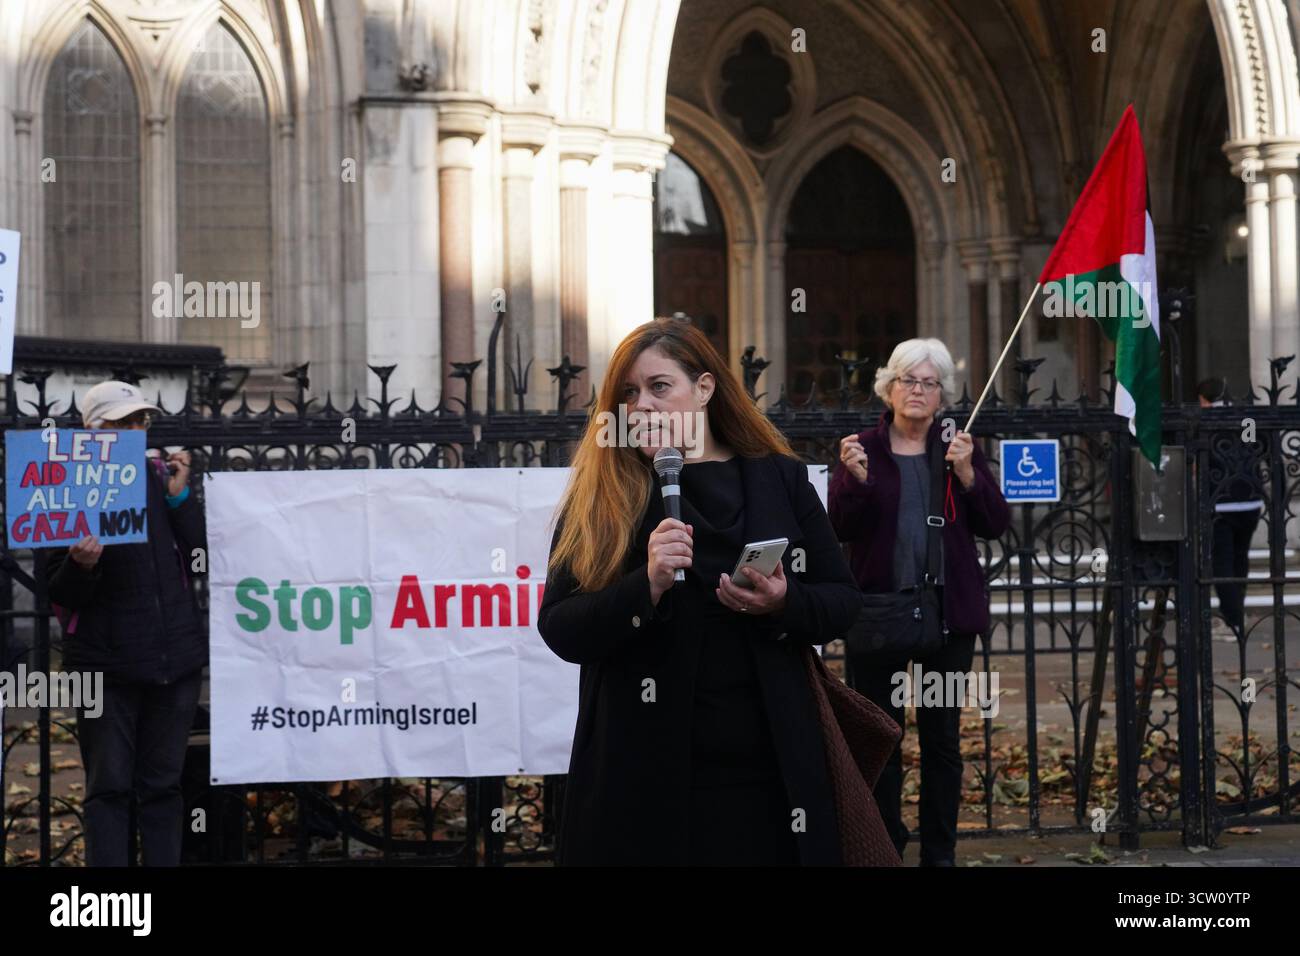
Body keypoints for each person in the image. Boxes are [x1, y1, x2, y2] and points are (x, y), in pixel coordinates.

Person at [537, 318, 862, 866]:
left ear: (705, 388)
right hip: (642, 772)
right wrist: (647, 588)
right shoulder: (603, 495)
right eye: (629, 394)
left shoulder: (777, 478)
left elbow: (842, 601)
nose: (642, 405)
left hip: (768, 769)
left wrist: (783, 602)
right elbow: (562, 627)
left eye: (659, 387)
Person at [827, 338, 1010, 866]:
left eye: (929, 383)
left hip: (946, 622)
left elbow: (996, 523)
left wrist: (970, 475)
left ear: (941, 395)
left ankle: (940, 856)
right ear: (889, 387)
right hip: (880, 617)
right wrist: (855, 481)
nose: (918, 391)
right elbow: (839, 526)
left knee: (942, 744)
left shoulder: (956, 447)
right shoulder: (863, 446)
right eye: (908, 380)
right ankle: (884, 847)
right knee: (882, 740)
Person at [46, 380, 207, 866]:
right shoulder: (61, 485)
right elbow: (55, 591)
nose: (136, 430)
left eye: (140, 421)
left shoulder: (160, 480)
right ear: (91, 430)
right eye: (123, 423)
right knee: (109, 791)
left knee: (162, 789)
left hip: (172, 665)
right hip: (106, 669)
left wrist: (181, 502)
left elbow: (202, 561)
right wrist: (81, 564)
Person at [1197, 377, 1263, 638]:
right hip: (1251, 499)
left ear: (1205, 399)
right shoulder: (1244, 416)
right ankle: (1237, 611)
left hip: (1222, 501)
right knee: (1240, 558)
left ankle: (1232, 619)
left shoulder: (1208, 420)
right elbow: (1258, 448)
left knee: (1222, 562)